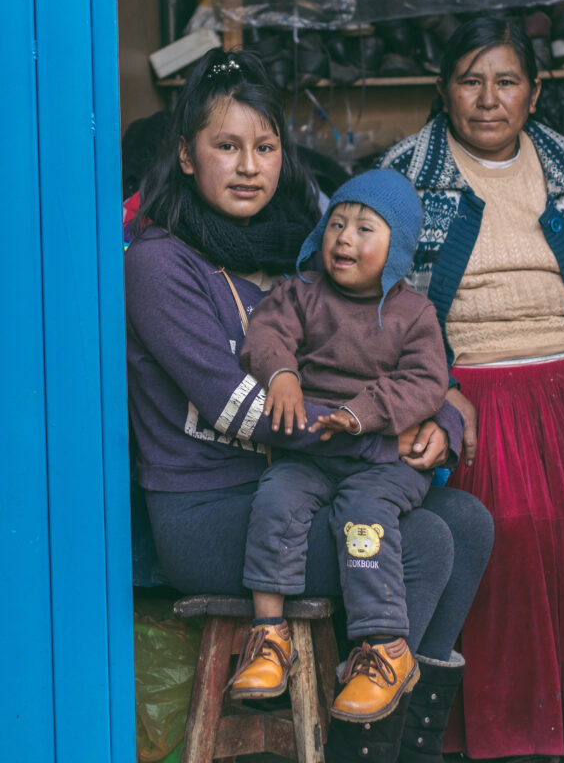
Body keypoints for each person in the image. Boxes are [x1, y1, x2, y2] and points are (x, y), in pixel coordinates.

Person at [125, 47, 494, 763]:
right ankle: (363, 753)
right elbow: (245, 411)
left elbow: (387, 350)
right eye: (225, 146)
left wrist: (441, 416)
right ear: (186, 155)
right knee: (421, 543)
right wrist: (387, 433)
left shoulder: (299, 250)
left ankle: (399, 748)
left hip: (313, 476)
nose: (248, 165)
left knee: (469, 524)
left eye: (264, 146)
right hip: (213, 509)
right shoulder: (158, 264)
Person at [378, 14, 564, 760]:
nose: (488, 99)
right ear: (443, 92)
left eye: (505, 81)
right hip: (465, 393)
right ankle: (508, 737)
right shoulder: (402, 175)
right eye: (469, 81)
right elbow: (373, 301)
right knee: (506, 545)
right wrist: (425, 392)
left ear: (534, 91)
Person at [230, 169, 464, 726]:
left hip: (382, 459)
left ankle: (383, 648)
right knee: (275, 497)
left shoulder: (414, 314)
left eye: (364, 229)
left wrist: (363, 413)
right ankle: (268, 637)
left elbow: (426, 383)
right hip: (311, 454)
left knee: (364, 522)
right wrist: (282, 373)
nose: (343, 238)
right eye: (336, 223)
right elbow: (265, 334)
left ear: (399, 249)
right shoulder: (302, 291)